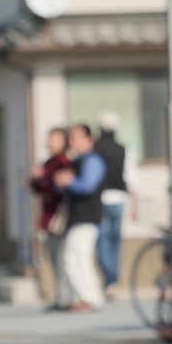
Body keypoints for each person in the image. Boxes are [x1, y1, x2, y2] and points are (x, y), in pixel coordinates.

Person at [53, 124, 106, 311]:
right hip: (76, 217)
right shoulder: (76, 161)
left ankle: (89, 298)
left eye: (75, 137)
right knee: (70, 258)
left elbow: (87, 186)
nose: (71, 142)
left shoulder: (92, 160)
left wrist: (69, 181)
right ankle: (79, 298)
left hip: (87, 217)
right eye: (70, 138)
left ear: (88, 140)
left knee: (77, 258)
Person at [92, 110, 137, 297]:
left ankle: (109, 279)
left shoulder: (94, 149)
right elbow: (132, 176)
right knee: (114, 241)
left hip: (100, 199)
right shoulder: (124, 149)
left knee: (102, 240)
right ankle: (113, 281)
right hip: (119, 198)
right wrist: (135, 204)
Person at [30, 127, 72, 310]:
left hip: (60, 217)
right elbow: (39, 189)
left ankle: (66, 297)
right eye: (50, 138)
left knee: (63, 258)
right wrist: (36, 179)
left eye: (55, 139)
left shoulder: (65, 162)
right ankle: (61, 296)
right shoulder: (48, 162)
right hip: (49, 215)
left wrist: (44, 179)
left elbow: (59, 189)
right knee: (53, 258)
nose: (50, 142)